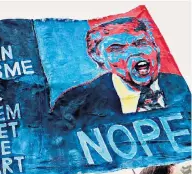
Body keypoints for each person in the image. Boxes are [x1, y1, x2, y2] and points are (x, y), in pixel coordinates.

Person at [52, 17, 190, 130]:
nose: (134, 53)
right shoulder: (75, 104)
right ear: (99, 59)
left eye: (140, 43)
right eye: (116, 49)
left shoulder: (182, 86)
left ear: (155, 47)